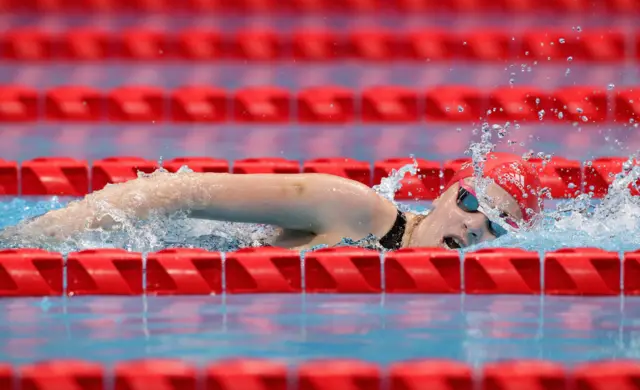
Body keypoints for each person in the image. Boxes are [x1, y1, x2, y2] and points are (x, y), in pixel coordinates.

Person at [1, 152, 542, 250]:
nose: (475, 226)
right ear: (446, 192)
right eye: (473, 202)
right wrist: (29, 241)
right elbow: (174, 190)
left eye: (496, 227)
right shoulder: (356, 208)